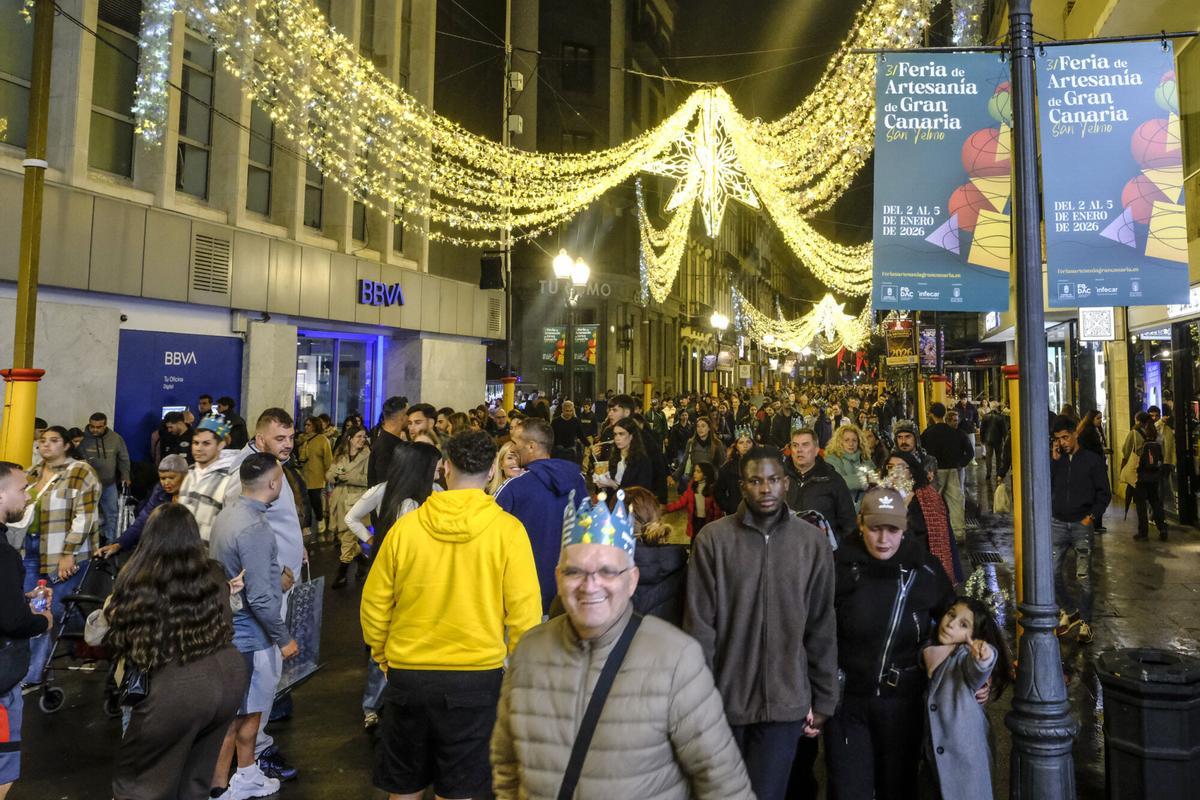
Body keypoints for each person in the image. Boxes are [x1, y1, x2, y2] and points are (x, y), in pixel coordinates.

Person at [491, 489, 754, 800]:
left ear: (631, 580)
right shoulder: (529, 653)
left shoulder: (675, 658)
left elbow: (722, 782)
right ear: (558, 578)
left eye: (607, 571)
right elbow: (507, 767)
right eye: (575, 571)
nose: (590, 585)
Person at [361, 430, 541, 800]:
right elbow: (525, 616)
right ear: (492, 471)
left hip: (408, 674)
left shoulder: (406, 529)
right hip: (475, 679)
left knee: (404, 788)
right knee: (459, 789)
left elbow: (375, 603)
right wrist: (513, 670)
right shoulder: (508, 532)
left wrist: (384, 656)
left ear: (444, 468)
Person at [686, 447, 838, 800]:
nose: (765, 489)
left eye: (773, 480)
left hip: (786, 701)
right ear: (742, 486)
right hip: (725, 700)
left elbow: (820, 624)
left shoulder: (810, 542)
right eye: (755, 481)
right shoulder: (714, 540)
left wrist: (825, 696)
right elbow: (700, 627)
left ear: (786, 484)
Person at [108, 504, 250, 800]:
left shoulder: (136, 578)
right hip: (227, 680)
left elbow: (116, 632)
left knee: (143, 783)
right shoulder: (213, 573)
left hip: (173, 688)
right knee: (195, 778)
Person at [823, 487, 956, 800]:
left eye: (892, 530)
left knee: (897, 788)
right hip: (847, 703)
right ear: (860, 524)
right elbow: (811, 629)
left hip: (902, 704)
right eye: (875, 529)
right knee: (847, 790)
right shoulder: (838, 567)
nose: (883, 540)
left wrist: (979, 674)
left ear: (905, 527)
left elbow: (959, 622)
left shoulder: (925, 570)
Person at [209, 453, 300, 799]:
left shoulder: (227, 516)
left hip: (229, 630)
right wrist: (284, 638)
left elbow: (245, 575)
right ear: (274, 484)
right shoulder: (257, 528)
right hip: (251, 638)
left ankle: (244, 773)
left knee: (245, 713)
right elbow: (261, 599)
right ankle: (221, 787)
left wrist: (276, 576)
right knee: (241, 717)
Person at [18, 426, 101, 688]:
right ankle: (84, 642)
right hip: (31, 549)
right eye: (43, 440)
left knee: (51, 609)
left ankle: (34, 673)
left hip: (61, 551)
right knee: (32, 609)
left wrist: (69, 552)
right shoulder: (32, 473)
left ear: (66, 445)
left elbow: (85, 517)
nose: (46, 445)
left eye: (54, 441)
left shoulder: (80, 472)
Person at [923, 597, 1013, 800]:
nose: (951, 624)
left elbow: (978, 669)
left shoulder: (964, 657)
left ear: (973, 635)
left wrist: (984, 656)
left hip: (965, 769)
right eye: (951, 615)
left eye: (964, 625)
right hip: (935, 766)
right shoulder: (933, 651)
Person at [494, 419, 588, 614]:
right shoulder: (577, 480)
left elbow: (491, 538)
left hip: (525, 592)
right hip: (569, 590)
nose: (513, 447)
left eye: (516, 441)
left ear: (531, 446)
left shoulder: (514, 487)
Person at [0, 462, 52, 799]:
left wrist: (19, 597)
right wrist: (42, 620)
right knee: (3, 764)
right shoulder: (4, 554)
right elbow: (12, 622)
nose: (27, 494)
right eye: (21, 489)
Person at [1050, 416, 1110, 644]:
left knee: (1083, 576)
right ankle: (1069, 609)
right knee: (1052, 572)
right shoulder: (1058, 460)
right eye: (1058, 439)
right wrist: (1054, 460)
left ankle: (1085, 622)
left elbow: (1104, 492)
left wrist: (1091, 517)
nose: (1063, 443)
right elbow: (1047, 485)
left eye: (1066, 437)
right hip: (1058, 523)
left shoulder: (1092, 461)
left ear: (1075, 433)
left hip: (1080, 524)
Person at [885, 450, 962, 585]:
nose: (894, 472)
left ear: (911, 471)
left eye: (901, 467)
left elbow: (924, 537)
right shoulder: (880, 495)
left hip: (919, 568)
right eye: (890, 467)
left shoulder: (926, 497)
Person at [96, 454, 189, 559]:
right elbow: (143, 520)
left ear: (185, 476)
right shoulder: (160, 491)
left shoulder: (194, 496)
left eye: (171, 477)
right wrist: (119, 544)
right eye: (162, 478)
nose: (166, 482)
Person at [785, 427, 857, 544]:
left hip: (822, 551)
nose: (799, 450)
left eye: (805, 445)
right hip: (786, 550)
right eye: (795, 445)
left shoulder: (832, 480)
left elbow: (849, 523)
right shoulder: (778, 478)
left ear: (816, 449)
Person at [178, 415, 239, 542]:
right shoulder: (189, 474)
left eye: (206, 443)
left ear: (221, 445)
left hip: (211, 557)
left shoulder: (230, 479)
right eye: (195, 443)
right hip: (184, 554)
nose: (199, 448)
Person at [325, 427, 371, 589]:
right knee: (343, 537)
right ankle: (363, 561)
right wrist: (336, 476)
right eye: (358, 436)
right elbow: (329, 474)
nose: (362, 439)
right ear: (350, 438)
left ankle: (341, 575)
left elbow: (369, 479)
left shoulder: (368, 456)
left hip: (357, 503)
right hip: (339, 501)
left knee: (347, 540)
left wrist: (350, 477)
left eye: (364, 437)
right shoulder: (340, 455)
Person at [78, 412, 131, 545]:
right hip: (87, 486)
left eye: (99, 427)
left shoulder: (116, 438)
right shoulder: (82, 440)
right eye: (92, 426)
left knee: (112, 513)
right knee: (86, 515)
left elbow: (123, 458)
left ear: (105, 425)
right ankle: (88, 544)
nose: (95, 429)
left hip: (109, 484)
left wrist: (126, 476)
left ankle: (110, 542)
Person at [921, 403, 973, 538]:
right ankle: (959, 533)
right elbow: (970, 452)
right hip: (953, 470)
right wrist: (961, 464)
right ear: (944, 414)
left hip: (934, 472)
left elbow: (921, 453)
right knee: (955, 502)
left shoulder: (928, 433)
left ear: (932, 415)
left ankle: (934, 532)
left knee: (933, 503)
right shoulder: (956, 433)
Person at [1121, 412, 1167, 542]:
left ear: (1137, 421)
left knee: (1140, 503)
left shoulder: (1135, 433)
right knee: (1155, 501)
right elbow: (1161, 453)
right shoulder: (1157, 435)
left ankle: (1143, 533)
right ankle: (1162, 528)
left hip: (1139, 474)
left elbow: (1125, 450)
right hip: (1154, 474)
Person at [296, 416, 333, 540]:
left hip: (317, 476)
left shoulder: (322, 440)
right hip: (303, 475)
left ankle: (320, 519)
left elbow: (328, 459)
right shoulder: (301, 439)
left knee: (315, 501)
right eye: (305, 424)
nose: (306, 427)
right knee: (304, 503)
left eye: (309, 425)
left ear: (315, 426)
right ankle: (306, 526)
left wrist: (328, 474)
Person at [665, 461, 722, 539]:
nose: (694, 473)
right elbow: (681, 502)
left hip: (707, 522)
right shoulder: (692, 487)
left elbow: (717, 510)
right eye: (695, 471)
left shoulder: (712, 489)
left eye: (698, 472)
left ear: (705, 475)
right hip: (695, 521)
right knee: (694, 542)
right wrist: (666, 508)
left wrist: (715, 526)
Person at [595, 418, 653, 492]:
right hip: (611, 501)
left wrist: (614, 485)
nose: (617, 438)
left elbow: (641, 491)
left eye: (621, 434)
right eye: (615, 434)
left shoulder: (642, 460)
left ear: (631, 436)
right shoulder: (614, 458)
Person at [824, 423, 871, 507]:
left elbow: (876, 478)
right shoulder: (831, 459)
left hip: (866, 507)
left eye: (854, 440)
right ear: (840, 442)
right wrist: (865, 479)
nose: (851, 444)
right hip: (841, 507)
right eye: (847, 440)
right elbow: (838, 482)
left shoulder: (865, 458)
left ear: (859, 442)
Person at [673, 416, 725, 489]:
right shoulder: (691, 443)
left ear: (709, 428)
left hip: (712, 483)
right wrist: (674, 477)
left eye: (703, 426)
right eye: (698, 426)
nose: (700, 429)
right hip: (695, 481)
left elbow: (722, 465)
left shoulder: (717, 443)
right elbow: (684, 463)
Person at [369, 397, 409, 487]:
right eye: (408, 414)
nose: (410, 419)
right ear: (401, 417)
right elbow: (384, 485)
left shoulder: (390, 441)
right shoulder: (385, 446)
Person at [715, 427, 754, 515]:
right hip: (736, 513)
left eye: (748, 442)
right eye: (741, 442)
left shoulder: (762, 465)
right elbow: (718, 491)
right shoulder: (727, 468)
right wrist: (729, 506)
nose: (745, 445)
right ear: (736, 446)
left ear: (753, 444)